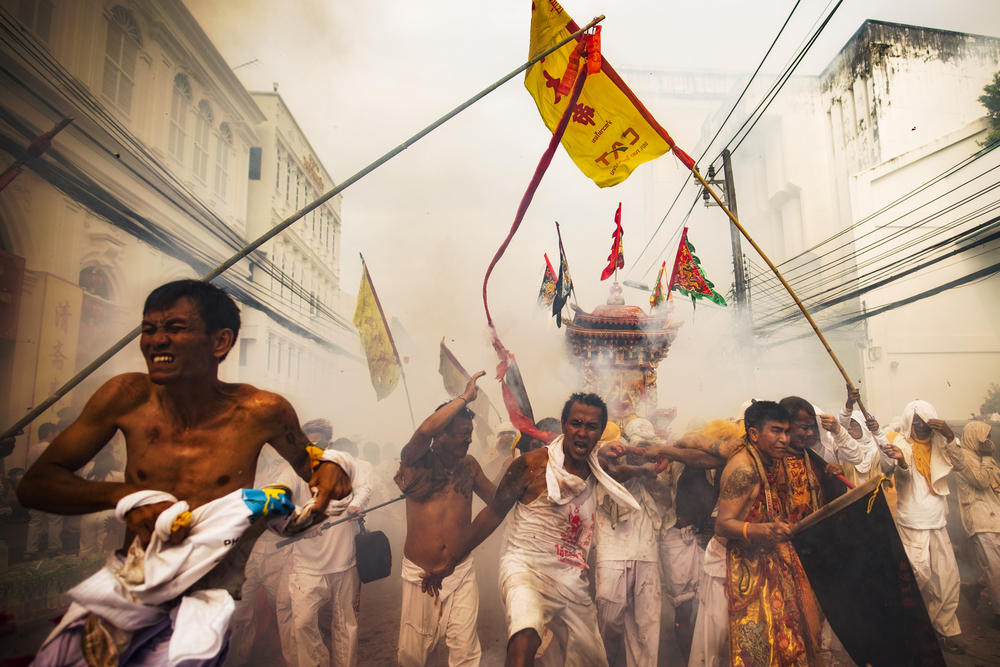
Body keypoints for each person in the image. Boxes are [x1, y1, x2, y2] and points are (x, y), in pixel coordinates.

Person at [17, 279, 351, 667]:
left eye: (174, 328)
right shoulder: (125, 396)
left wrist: (334, 465)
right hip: (131, 586)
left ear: (220, 342)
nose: (156, 340)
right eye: (149, 328)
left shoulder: (263, 411)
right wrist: (127, 498)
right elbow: (35, 485)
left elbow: (313, 464)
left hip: (204, 602)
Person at [424, 392, 641, 667]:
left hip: (570, 573)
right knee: (525, 634)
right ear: (564, 426)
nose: (582, 432)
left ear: (600, 433)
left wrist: (644, 469)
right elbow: (492, 513)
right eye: (576, 423)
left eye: (591, 426)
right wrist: (451, 562)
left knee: (591, 659)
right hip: (523, 565)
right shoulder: (529, 465)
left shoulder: (598, 468)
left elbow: (617, 474)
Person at [394, 371, 495, 667]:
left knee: (465, 650)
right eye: (463, 432)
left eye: (469, 432)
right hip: (420, 574)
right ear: (442, 434)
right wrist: (465, 397)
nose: (469, 438)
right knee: (413, 655)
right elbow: (424, 431)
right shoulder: (415, 463)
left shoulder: (470, 465)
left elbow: (497, 500)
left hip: (460, 569)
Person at [715, 401, 823, 667]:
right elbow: (722, 525)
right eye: (776, 431)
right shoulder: (744, 468)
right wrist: (763, 530)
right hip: (740, 565)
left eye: (787, 432)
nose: (784, 439)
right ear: (754, 434)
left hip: (770, 559)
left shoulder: (770, 459)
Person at [879, 399, 965, 654]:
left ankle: (944, 630)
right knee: (918, 577)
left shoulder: (942, 442)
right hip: (912, 521)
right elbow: (899, 476)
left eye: (926, 421)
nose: (921, 426)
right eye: (915, 421)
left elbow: (960, 466)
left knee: (948, 579)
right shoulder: (901, 444)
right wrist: (902, 463)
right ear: (908, 423)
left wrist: (950, 436)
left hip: (938, 521)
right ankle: (908, 629)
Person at [287, 443, 373, 667]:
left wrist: (356, 504)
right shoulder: (293, 470)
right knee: (303, 624)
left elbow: (363, 488)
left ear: (330, 445)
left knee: (346, 624)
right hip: (307, 566)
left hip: (345, 561)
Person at [593, 418, 669, 667]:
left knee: (647, 627)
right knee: (609, 623)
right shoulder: (603, 465)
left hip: (647, 554)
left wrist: (650, 474)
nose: (642, 453)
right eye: (638, 446)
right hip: (612, 552)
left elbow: (667, 500)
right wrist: (635, 466)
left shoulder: (656, 472)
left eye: (647, 447)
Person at [953, 421, 1000, 629]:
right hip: (980, 520)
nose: (987, 443)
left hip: (994, 518)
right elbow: (981, 481)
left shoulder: (980, 458)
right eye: (984, 439)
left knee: (995, 568)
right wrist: (989, 457)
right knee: (995, 569)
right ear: (973, 439)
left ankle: (972, 589)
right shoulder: (963, 458)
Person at [24, 422, 64, 558]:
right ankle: (54, 549)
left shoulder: (32, 449)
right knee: (54, 521)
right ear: (50, 433)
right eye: (57, 432)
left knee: (35, 522)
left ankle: (30, 552)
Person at [78, 448, 125, 559]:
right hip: (108, 516)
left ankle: (82, 573)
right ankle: (101, 573)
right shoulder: (118, 476)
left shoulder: (88, 477)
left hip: (88, 516)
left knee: (85, 549)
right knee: (104, 550)